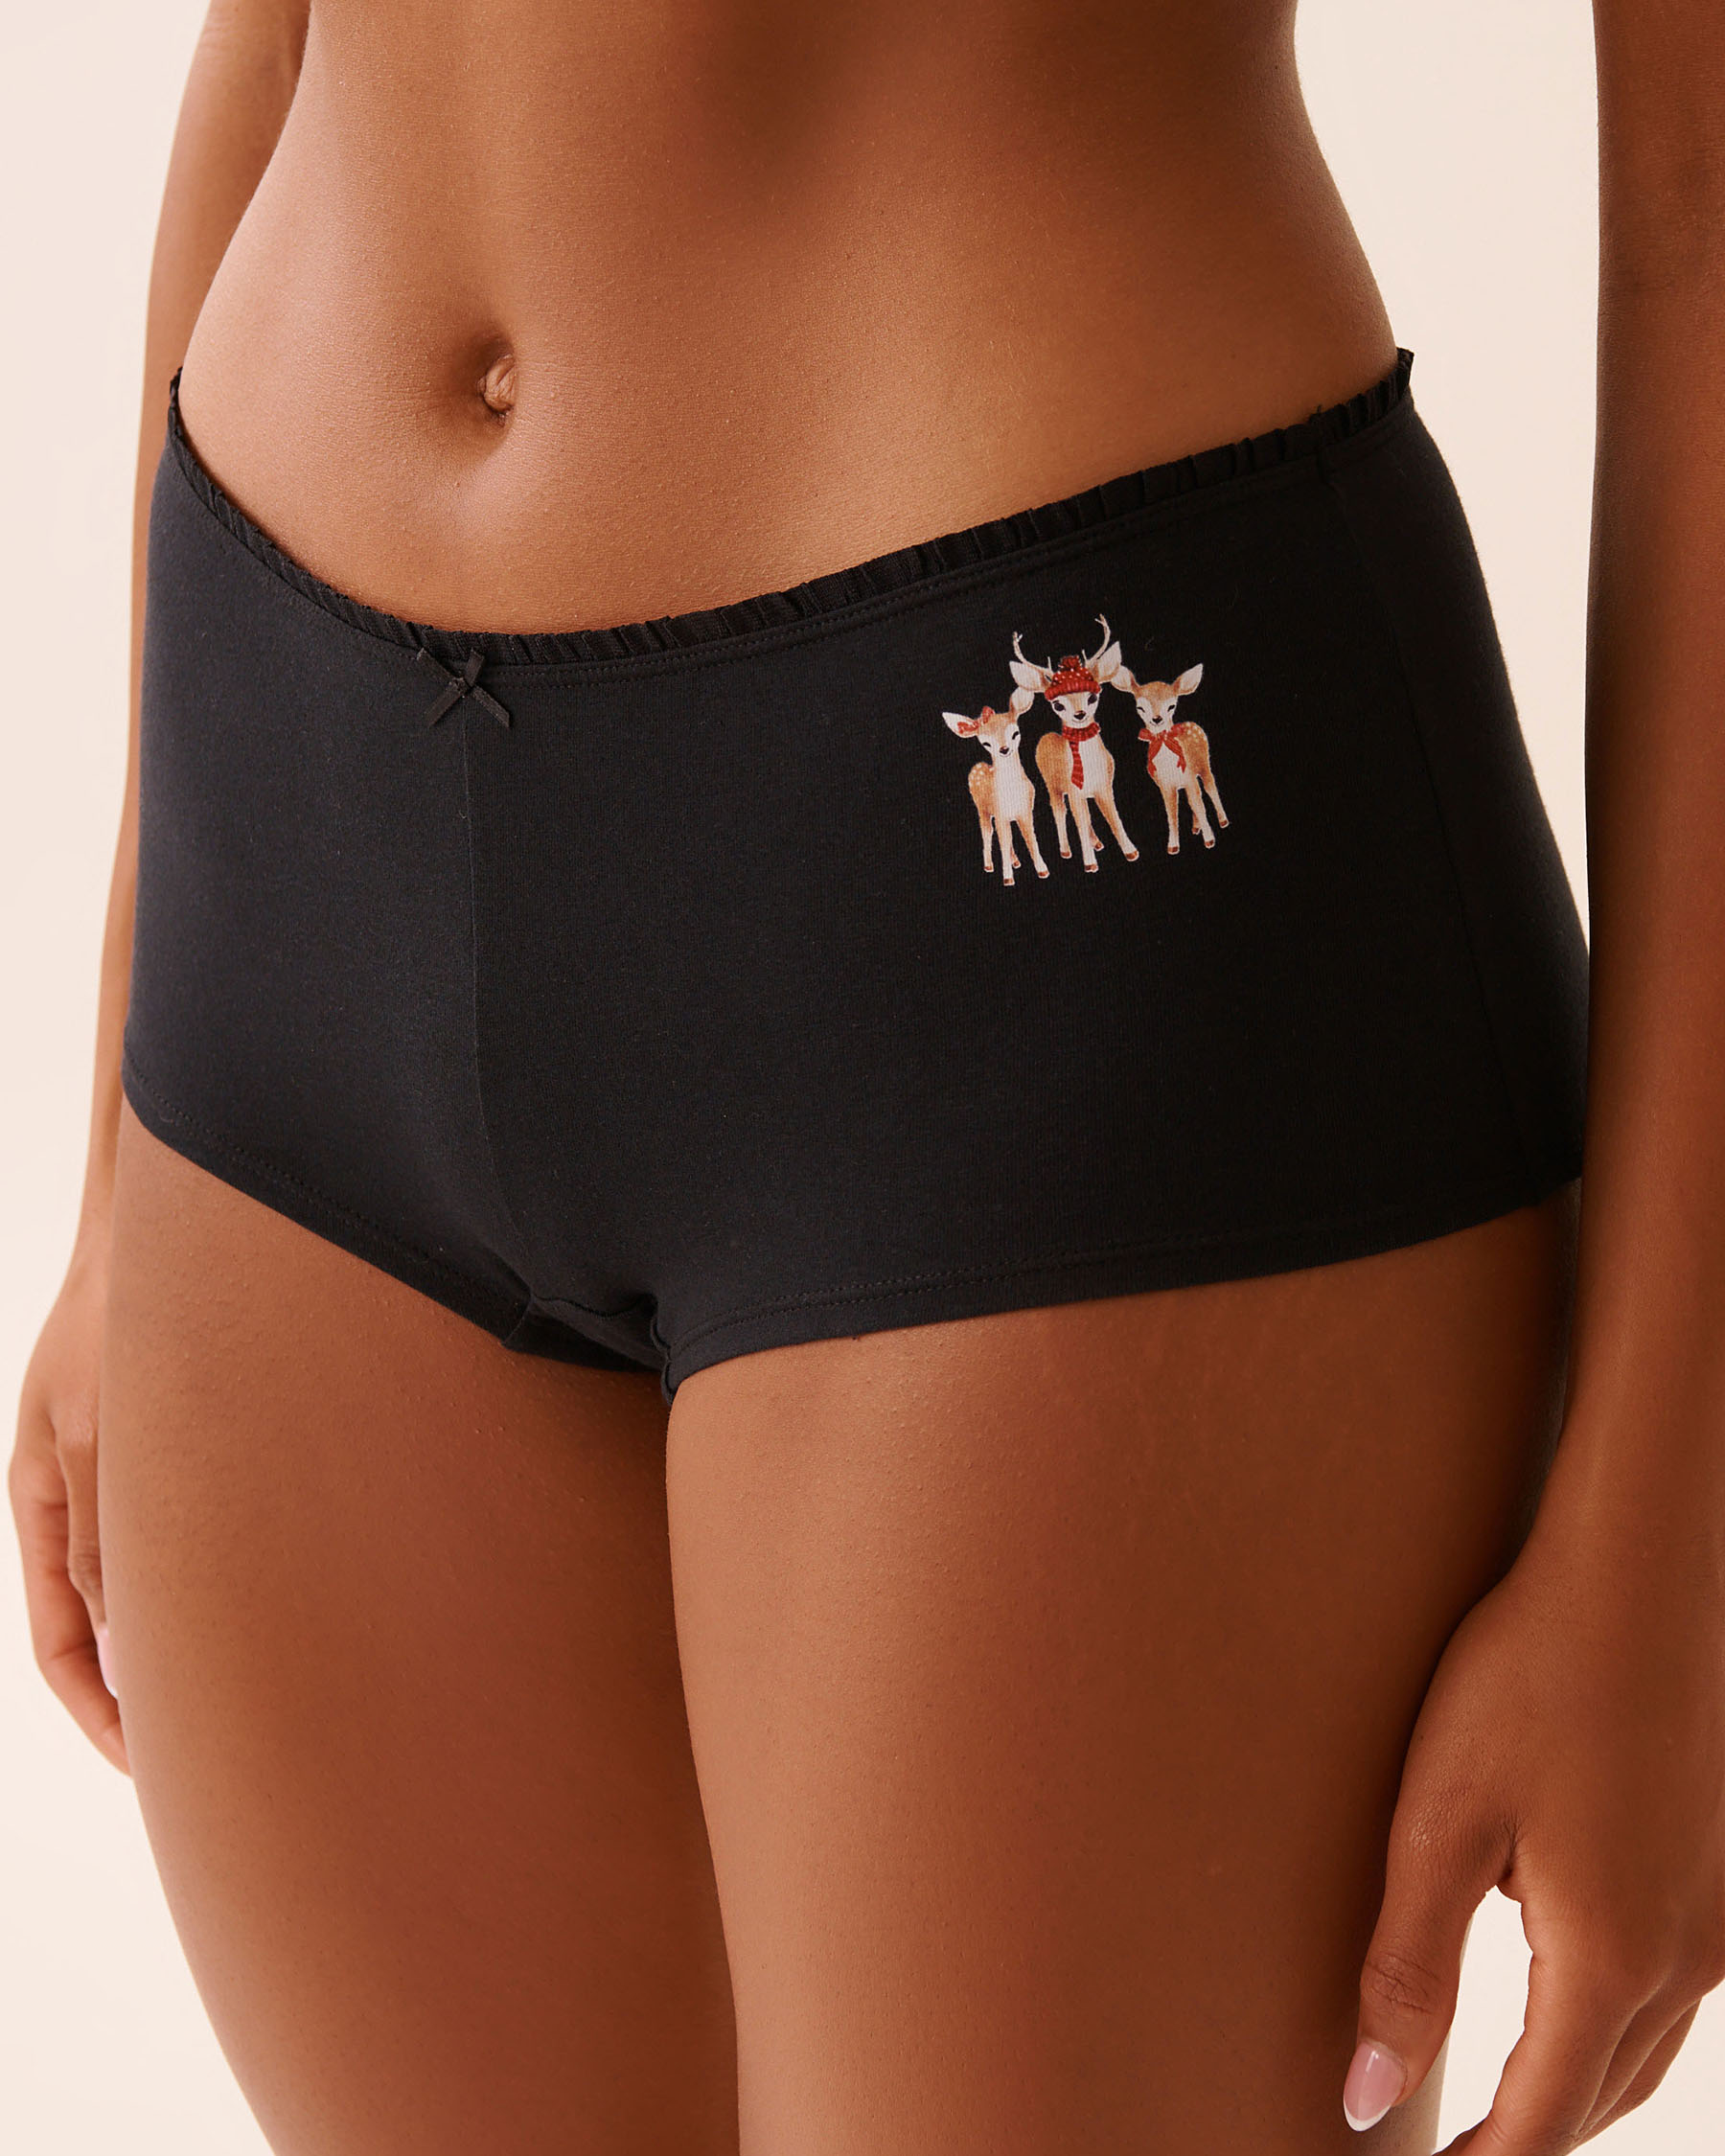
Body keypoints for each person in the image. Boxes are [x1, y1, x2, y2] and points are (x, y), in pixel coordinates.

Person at [11, 2, 1724, 2149]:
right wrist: (126, 1110)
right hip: (292, 833)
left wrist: (1678, 1546)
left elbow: (1703, 207)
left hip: (1048, 903)